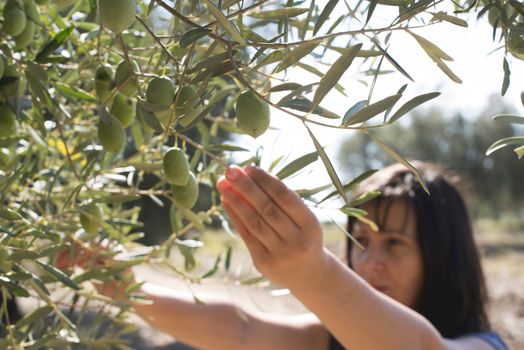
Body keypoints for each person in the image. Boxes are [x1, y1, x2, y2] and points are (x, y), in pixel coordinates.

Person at [62, 162, 509, 350]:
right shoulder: (329, 339)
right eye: (360, 242)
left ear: (444, 257)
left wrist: (312, 273)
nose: (370, 263)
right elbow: (238, 330)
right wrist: (120, 285)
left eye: (394, 243)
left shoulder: (485, 346)